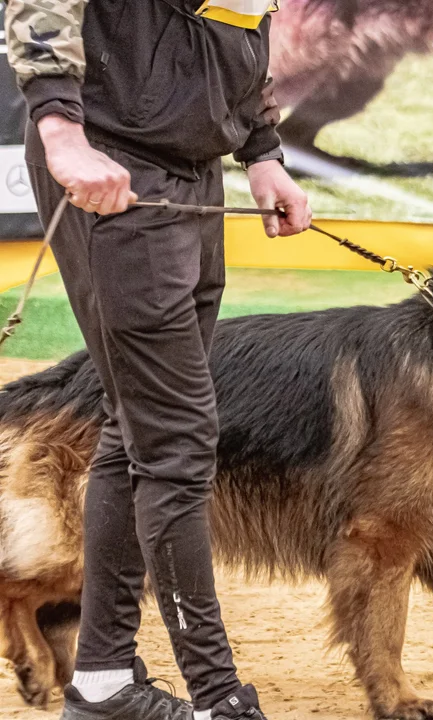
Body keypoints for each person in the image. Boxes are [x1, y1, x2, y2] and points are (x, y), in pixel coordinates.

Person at [4, 1, 312, 719]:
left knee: (138, 428)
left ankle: (105, 680)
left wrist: (262, 151)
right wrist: (61, 130)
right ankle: (216, 696)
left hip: (192, 173)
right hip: (111, 165)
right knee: (176, 441)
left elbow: (241, 18)